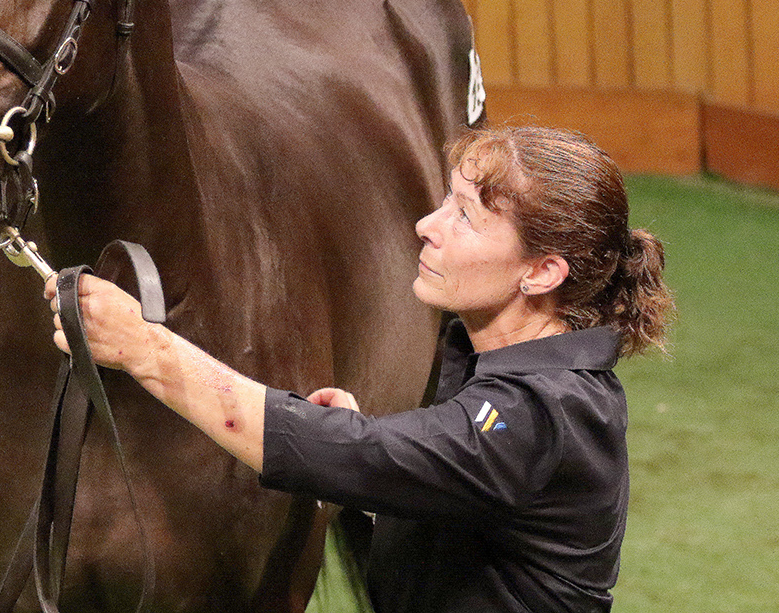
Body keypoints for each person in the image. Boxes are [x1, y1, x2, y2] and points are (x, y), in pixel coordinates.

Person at [44, 124, 675, 612]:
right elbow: (461, 494)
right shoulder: (500, 362)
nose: (427, 226)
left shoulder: (543, 411)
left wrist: (147, 349)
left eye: (465, 217)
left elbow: (360, 455)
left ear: (541, 272)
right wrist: (391, 462)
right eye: (445, 201)